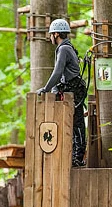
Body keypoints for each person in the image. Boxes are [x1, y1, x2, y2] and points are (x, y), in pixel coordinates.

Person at [36, 17, 88, 167]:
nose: (50, 37)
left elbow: (58, 72)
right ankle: (76, 155)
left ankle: (77, 157)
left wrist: (45, 89)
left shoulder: (64, 49)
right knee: (75, 122)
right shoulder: (67, 47)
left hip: (73, 89)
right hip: (72, 87)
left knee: (77, 122)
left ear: (57, 34)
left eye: (51, 34)